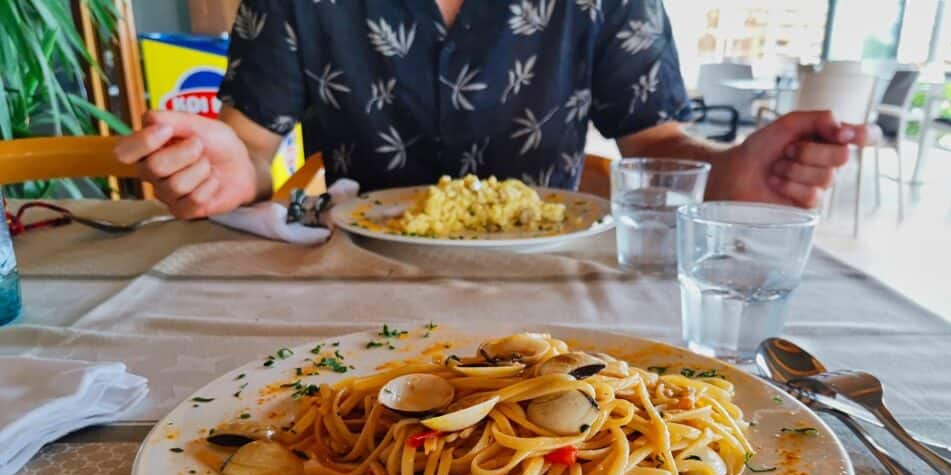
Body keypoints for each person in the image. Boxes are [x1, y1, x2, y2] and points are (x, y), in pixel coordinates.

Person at [115, 0, 876, 219]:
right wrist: (221, 164)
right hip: (351, 288)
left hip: (557, 294)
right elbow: (249, 144)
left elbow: (654, 141)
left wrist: (726, 175)